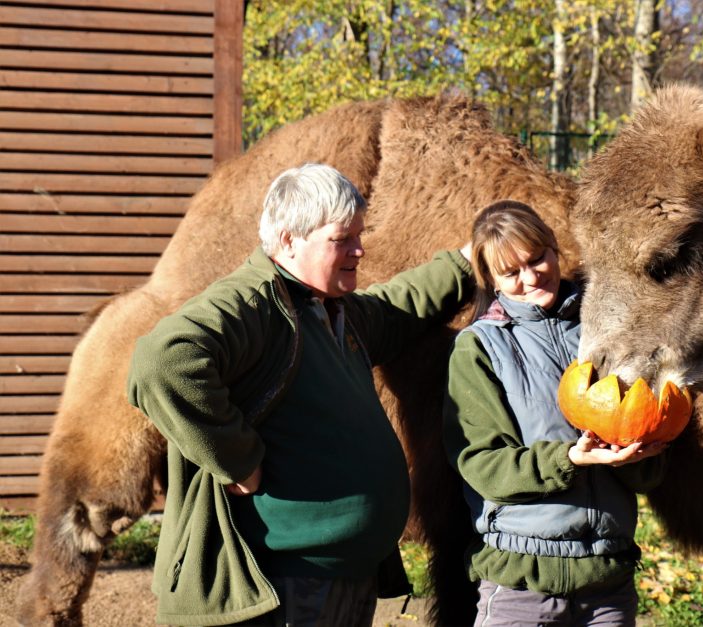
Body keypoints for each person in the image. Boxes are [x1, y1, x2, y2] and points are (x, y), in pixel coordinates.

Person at [127, 163, 473, 626]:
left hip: (342, 575)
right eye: (341, 240)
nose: (359, 250)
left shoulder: (331, 308)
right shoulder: (252, 303)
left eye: (359, 235)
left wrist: (466, 262)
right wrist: (235, 458)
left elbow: (396, 305)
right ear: (289, 240)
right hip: (287, 584)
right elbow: (162, 363)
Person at [442, 200, 668, 626]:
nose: (530, 278)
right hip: (522, 587)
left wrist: (640, 456)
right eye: (511, 273)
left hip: (607, 583)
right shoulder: (480, 348)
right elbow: (482, 465)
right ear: (490, 280)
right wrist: (569, 459)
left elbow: (647, 453)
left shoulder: (606, 330)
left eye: (537, 258)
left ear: (554, 248)